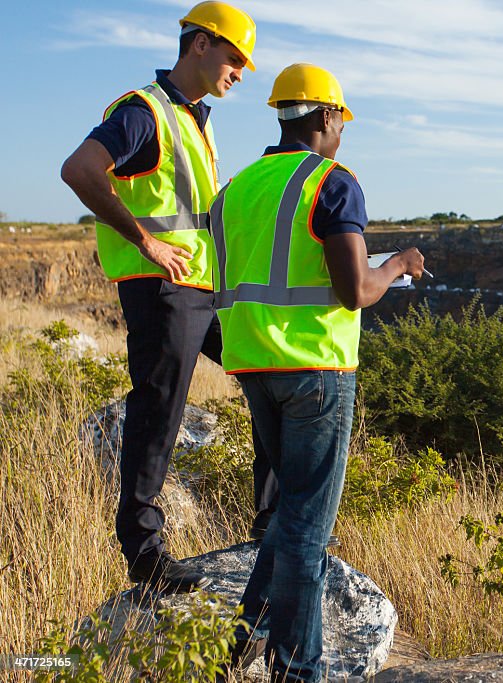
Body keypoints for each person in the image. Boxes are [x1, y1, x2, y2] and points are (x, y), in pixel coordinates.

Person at [209, 62, 424, 682]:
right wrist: (398, 265)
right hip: (317, 370)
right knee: (306, 528)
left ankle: (234, 649)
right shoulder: (333, 182)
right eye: (341, 122)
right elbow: (354, 289)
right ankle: (298, 672)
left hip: (253, 365)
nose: (341, 134)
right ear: (327, 117)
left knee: (287, 517)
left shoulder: (238, 188)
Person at [60, 1, 272, 593]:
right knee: (159, 408)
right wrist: (145, 242)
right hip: (163, 289)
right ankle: (144, 552)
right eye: (234, 58)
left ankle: (273, 522)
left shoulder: (196, 119)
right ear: (199, 45)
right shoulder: (143, 111)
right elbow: (79, 170)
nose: (239, 71)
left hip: (203, 287)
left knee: (269, 371)